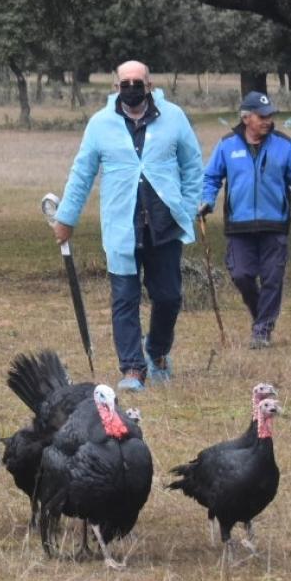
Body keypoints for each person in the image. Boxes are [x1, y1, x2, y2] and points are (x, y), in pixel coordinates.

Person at [53, 61, 204, 392]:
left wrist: (190, 206)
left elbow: (193, 165)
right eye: (125, 83)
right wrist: (66, 218)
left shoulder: (174, 117)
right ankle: (133, 370)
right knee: (125, 298)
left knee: (168, 297)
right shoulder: (100, 125)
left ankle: (157, 351)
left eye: (138, 82)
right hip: (122, 228)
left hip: (164, 225)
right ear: (115, 86)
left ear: (149, 85)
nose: (132, 88)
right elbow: (82, 174)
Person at [200, 91, 291, 348]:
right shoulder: (227, 145)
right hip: (239, 225)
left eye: (270, 115)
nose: (267, 120)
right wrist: (207, 200)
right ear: (246, 117)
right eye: (262, 116)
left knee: (272, 278)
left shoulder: (285, 145)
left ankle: (262, 330)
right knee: (241, 275)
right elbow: (211, 178)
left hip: (274, 224)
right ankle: (261, 317)